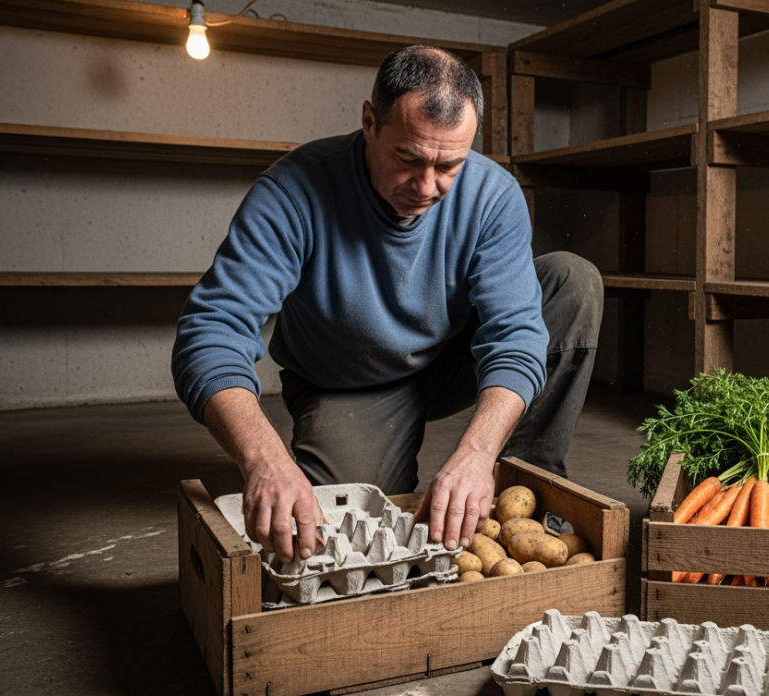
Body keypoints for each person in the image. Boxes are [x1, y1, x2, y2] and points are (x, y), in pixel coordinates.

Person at [171, 46, 602, 567]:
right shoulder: (293, 190)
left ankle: (522, 478)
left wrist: (476, 454)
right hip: (348, 382)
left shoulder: (493, 194)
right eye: (408, 158)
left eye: (449, 166)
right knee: (344, 537)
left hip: (449, 358)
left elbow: (515, 335)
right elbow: (211, 330)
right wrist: (264, 459)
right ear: (369, 122)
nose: (426, 187)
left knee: (571, 281)